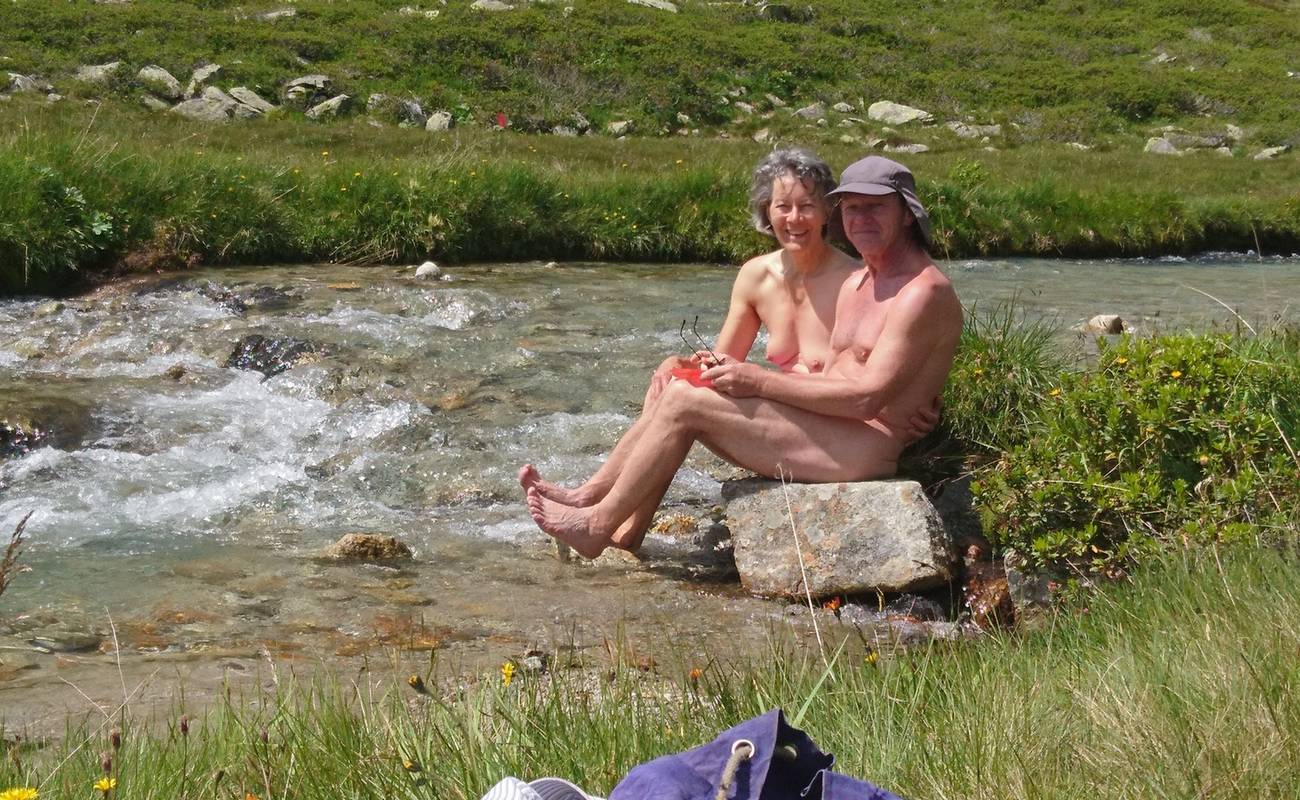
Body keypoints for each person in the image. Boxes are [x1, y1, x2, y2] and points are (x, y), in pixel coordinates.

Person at [523, 155, 961, 559]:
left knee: (686, 401)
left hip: (865, 447)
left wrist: (757, 381)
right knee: (682, 387)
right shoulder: (860, 281)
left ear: (906, 212)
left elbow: (866, 399)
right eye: (852, 208)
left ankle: (595, 525)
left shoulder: (922, 292)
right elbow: (832, 377)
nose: (860, 219)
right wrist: (721, 373)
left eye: (875, 207)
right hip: (833, 428)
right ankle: (593, 501)